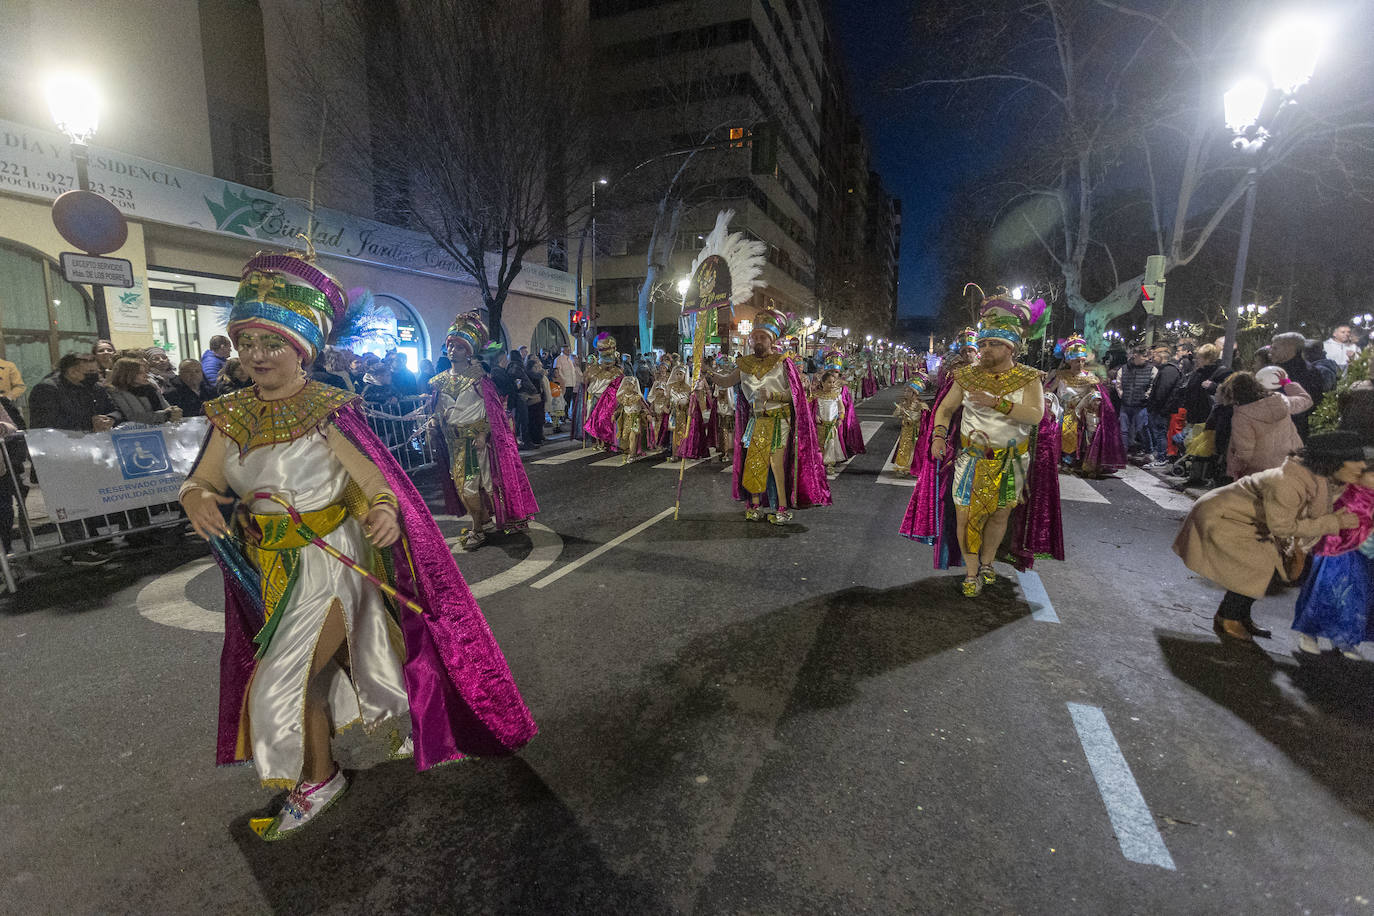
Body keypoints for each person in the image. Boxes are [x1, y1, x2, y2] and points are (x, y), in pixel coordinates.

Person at [179, 251, 536, 841]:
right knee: (344, 659)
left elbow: (376, 483)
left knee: (285, 678)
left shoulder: (328, 411)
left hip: (333, 560)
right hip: (272, 567)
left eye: (273, 343)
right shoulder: (229, 416)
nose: (258, 356)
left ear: (302, 349)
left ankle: (319, 780)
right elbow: (205, 479)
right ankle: (402, 709)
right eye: (248, 344)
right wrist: (195, 495)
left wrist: (385, 512)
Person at [902, 295, 1057, 597]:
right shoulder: (966, 375)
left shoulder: (1029, 378)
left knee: (999, 515)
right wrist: (937, 436)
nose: (985, 349)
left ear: (1010, 346)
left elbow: (1035, 415)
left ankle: (987, 563)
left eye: (993, 344)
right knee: (967, 515)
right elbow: (945, 409)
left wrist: (996, 402)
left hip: (1012, 461)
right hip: (971, 459)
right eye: (983, 344)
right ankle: (972, 572)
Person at [1173, 431, 1368, 642]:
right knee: (1259, 564)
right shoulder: (1288, 482)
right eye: (1355, 461)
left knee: (1267, 566)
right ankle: (1228, 616)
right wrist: (1334, 523)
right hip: (1223, 516)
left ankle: (1238, 615)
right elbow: (1283, 527)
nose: (1362, 466)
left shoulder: (1321, 481)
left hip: (1248, 521)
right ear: (1334, 461)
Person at [705, 308, 831, 525]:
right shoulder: (744, 365)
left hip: (778, 419)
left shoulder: (784, 362)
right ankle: (755, 505)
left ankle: (781, 506)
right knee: (755, 462)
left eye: (762, 337)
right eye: (754, 337)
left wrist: (772, 394)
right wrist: (705, 371)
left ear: (771, 339)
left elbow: (796, 396)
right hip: (756, 420)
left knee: (775, 462)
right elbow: (725, 381)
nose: (757, 340)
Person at [429, 311, 539, 551]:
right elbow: (439, 411)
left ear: (468, 352)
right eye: (450, 346)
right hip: (456, 444)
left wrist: (483, 434)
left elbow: (495, 411)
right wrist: (434, 423)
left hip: (480, 443)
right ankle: (482, 523)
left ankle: (478, 528)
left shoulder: (480, 378)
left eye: (458, 347)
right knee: (464, 488)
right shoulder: (438, 381)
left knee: (487, 486)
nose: (452, 351)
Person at [1292, 462, 1374, 658]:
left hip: (1364, 557)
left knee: (1356, 598)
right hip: (1337, 552)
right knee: (1325, 592)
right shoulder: (1347, 493)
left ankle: (1344, 638)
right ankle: (1309, 633)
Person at [1044, 337, 1125, 478]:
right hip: (1065, 409)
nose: (1080, 364)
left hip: (1084, 410)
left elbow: (1097, 393)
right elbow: (1050, 391)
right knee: (1063, 427)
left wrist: (1094, 400)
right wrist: (1048, 400)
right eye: (1076, 361)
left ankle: (1086, 461)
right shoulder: (1061, 375)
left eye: (1082, 360)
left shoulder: (1090, 377)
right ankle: (1063, 459)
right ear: (1069, 361)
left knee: (1091, 428)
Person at [1223, 369, 1312, 480]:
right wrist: (1287, 382)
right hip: (1292, 465)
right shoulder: (1280, 401)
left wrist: (1234, 469)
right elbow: (1306, 400)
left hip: (1261, 474)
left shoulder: (1242, 416)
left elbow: (1244, 454)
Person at [1269, 331, 1326, 441]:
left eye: (1275, 348)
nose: (1270, 352)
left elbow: (1310, 402)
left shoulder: (1306, 372)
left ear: (1290, 349)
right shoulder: (1276, 370)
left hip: (1293, 431)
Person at [106, 357, 181, 425]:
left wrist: (174, 411)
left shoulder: (151, 387)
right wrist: (164, 415)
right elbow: (131, 417)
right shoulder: (115, 392)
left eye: (146, 372)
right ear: (127, 374)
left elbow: (166, 407)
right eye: (140, 373)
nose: (146, 375)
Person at [582, 334, 625, 450]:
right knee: (593, 420)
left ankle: (607, 441)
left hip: (609, 400)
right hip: (595, 398)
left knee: (605, 421)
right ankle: (596, 441)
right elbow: (586, 381)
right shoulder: (593, 370)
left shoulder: (617, 371)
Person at [1114, 346, 1156, 458]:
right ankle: (1123, 452)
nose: (1146, 359)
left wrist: (1146, 396)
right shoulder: (1124, 368)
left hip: (1141, 405)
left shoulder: (1151, 369)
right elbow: (1118, 384)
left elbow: (1153, 385)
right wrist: (1122, 395)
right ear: (1135, 355)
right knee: (1124, 430)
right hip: (1126, 404)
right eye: (1144, 356)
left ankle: (1149, 451)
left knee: (1142, 428)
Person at [1144, 344, 1182, 467]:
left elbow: (1163, 391)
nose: (1152, 359)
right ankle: (1159, 455)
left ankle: (1161, 457)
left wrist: (1155, 406)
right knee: (1159, 432)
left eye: (1154, 356)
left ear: (1162, 356)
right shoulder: (1166, 369)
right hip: (1160, 408)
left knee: (1160, 433)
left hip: (1161, 409)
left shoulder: (1168, 371)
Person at [892, 372, 931, 476]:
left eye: (909, 391)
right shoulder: (904, 403)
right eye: (906, 390)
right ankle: (902, 468)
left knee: (916, 450)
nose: (906, 393)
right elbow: (895, 415)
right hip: (906, 431)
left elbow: (925, 421)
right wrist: (900, 410)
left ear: (915, 393)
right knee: (904, 448)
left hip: (916, 432)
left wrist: (913, 419)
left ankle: (914, 468)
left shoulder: (922, 406)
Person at [812, 369, 848, 475]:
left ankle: (829, 464)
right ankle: (819, 463)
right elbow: (812, 409)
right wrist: (815, 416)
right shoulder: (816, 395)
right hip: (820, 425)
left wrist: (840, 419)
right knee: (820, 444)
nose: (831, 384)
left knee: (831, 444)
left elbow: (841, 408)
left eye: (833, 382)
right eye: (828, 382)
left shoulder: (836, 395)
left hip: (832, 425)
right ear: (822, 383)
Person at [523, 357, 550, 448]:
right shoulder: (529, 375)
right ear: (530, 367)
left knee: (539, 419)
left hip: (539, 399)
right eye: (535, 367)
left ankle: (538, 437)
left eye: (537, 367)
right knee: (534, 420)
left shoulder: (537, 375)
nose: (537, 369)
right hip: (533, 400)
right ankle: (535, 438)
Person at [553, 345, 581, 434]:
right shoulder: (559, 359)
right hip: (563, 384)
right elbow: (558, 371)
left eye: (569, 349)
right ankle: (561, 417)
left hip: (570, 384)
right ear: (563, 350)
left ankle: (565, 415)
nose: (569, 351)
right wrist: (563, 380)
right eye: (567, 349)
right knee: (562, 401)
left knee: (568, 401)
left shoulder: (569, 359)